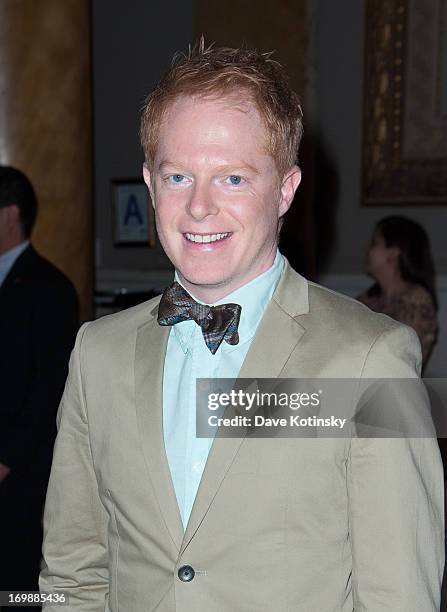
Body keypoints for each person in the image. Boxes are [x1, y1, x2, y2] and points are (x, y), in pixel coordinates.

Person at [40, 43, 444, 611]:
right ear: (150, 186)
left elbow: (400, 597)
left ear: (285, 189)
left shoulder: (372, 358)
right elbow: (70, 576)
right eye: (178, 176)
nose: (200, 207)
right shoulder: (95, 354)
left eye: (232, 179)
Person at [0, 166, 79, 607]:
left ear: (9, 215)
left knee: (19, 594)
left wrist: (5, 460)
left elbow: (49, 390)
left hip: (21, 480)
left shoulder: (50, 288)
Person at [358, 216, 438, 371]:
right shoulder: (367, 299)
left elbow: (400, 359)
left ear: (394, 252)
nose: (367, 247)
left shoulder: (417, 300)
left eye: (374, 242)